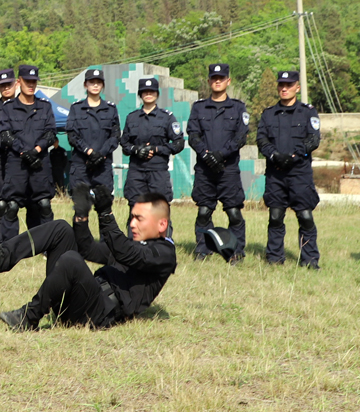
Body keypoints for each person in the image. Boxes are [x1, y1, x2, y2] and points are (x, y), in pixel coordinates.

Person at [0, 187, 177, 331]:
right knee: (61, 228)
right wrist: (81, 217)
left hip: (98, 314)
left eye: (139, 218)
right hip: (81, 299)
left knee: (71, 260)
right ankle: (0, 258)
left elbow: (126, 253)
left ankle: (29, 317)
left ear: (161, 225)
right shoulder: (133, 245)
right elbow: (88, 249)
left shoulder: (164, 254)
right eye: (131, 217)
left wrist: (106, 214)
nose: (132, 224)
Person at [257, 69, 321, 269]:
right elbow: (261, 139)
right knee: (275, 216)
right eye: (281, 85)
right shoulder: (268, 114)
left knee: (305, 216)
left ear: (297, 87)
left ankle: (309, 260)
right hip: (276, 173)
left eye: (289, 85)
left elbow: (313, 139)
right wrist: (275, 155)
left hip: (299, 173)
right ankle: (275, 258)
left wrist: (294, 155)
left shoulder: (308, 112)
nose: (284, 88)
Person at [187, 63, 249, 263]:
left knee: (233, 212)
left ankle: (236, 251)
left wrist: (220, 154)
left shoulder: (238, 108)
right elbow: (193, 135)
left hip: (228, 169)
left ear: (228, 81)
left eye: (221, 78)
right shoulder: (198, 107)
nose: (217, 81)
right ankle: (203, 249)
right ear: (209, 81)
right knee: (204, 211)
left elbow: (241, 137)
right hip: (205, 170)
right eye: (214, 78)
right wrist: (206, 155)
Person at [0, 65, 57, 238]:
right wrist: (23, 152)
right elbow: (5, 135)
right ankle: (9, 246)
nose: (31, 85)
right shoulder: (8, 108)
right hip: (17, 163)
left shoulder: (45, 107)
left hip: (40, 162)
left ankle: (45, 244)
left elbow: (51, 133)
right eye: (27, 81)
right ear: (18, 82)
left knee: (43, 204)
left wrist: (36, 150)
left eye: (34, 81)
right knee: (12, 205)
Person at [121, 77, 185, 210]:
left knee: (160, 211)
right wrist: (136, 150)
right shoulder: (131, 117)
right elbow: (124, 145)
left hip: (158, 172)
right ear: (140, 94)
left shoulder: (167, 117)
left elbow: (179, 143)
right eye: (145, 92)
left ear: (157, 94)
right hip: (136, 172)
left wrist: (157, 149)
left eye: (152, 91)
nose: (148, 94)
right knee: (135, 211)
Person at [65, 67, 120, 210]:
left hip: (103, 166)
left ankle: (105, 234)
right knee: (81, 211)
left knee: (105, 209)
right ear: (85, 85)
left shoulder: (111, 109)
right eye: (92, 82)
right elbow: (72, 135)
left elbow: (115, 136)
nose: (95, 85)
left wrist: (101, 153)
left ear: (103, 86)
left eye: (99, 82)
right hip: (81, 166)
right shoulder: (76, 108)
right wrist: (89, 151)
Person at [0, 69, 19, 241]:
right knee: (1, 203)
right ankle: (1, 239)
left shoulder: (24, 105)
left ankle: (14, 240)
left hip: (18, 158)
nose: (6, 88)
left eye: (9, 84)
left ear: (16, 84)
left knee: (14, 203)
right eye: (3, 86)